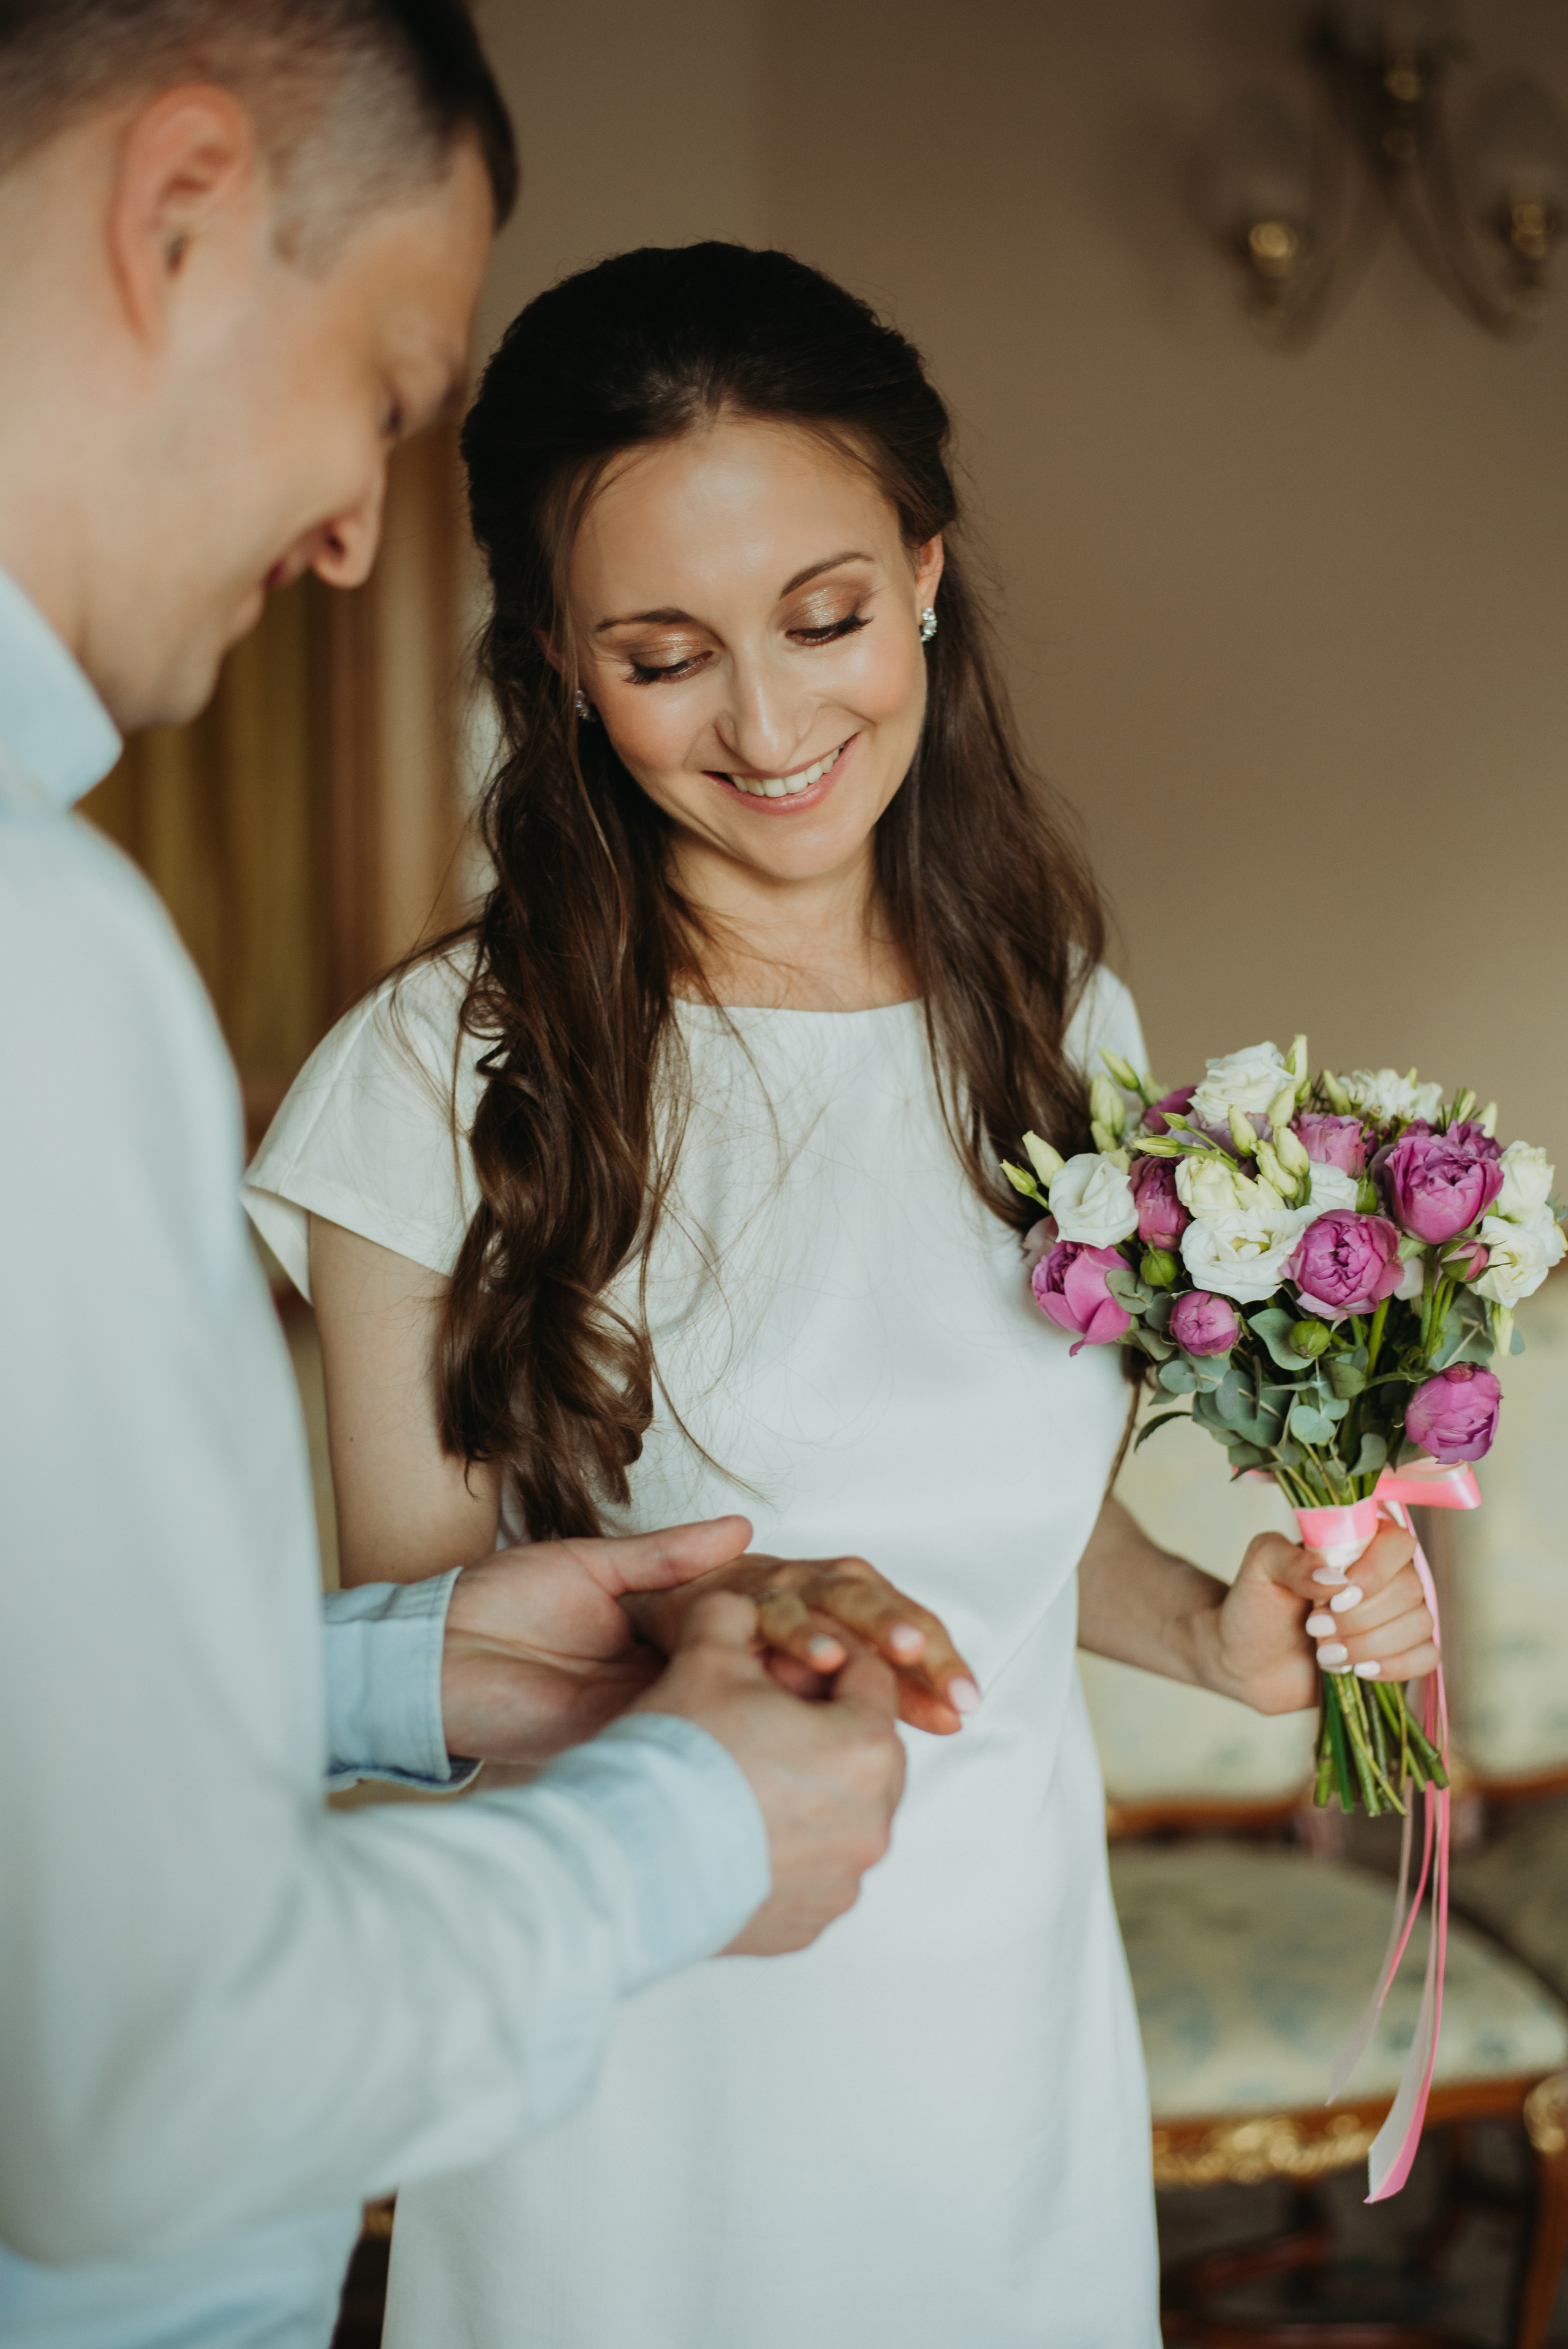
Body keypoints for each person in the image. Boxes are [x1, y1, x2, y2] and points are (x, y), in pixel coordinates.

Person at [246, 240, 1444, 2348]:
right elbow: (398, 1681)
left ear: (926, 575)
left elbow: (1029, 1534)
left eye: (823, 616)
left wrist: (1220, 1622)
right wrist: (721, 1609)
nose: (775, 721)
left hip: (1002, 2049)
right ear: (552, 664)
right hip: (635, 2073)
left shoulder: (1054, 1015)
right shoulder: (424, 1083)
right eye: (664, 654)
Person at [0, 19, 919, 2349]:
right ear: (182, 207)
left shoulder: (1055, 1002)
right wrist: (695, 1825)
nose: (344, 533)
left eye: (826, 612)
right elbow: (141, 2090)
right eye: (389, 390)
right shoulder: (48, 955)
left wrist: (406, 1669)